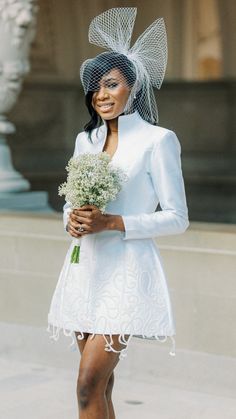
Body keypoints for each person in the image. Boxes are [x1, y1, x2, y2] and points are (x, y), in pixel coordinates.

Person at [47, 7, 189, 419]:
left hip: (126, 275)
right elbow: (71, 203)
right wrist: (70, 219)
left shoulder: (159, 141)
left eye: (111, 85)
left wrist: (113, 222)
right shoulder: (85, 139)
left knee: (86, 385)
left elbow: (178, 217)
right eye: (95, 88)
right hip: (84, 269)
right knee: (101, 388)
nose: (101, 95)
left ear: (135, 87)